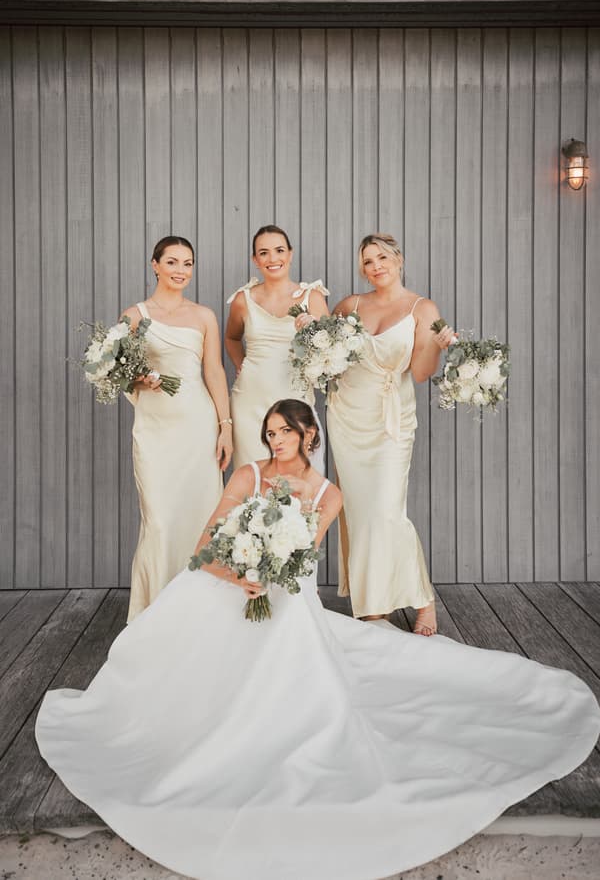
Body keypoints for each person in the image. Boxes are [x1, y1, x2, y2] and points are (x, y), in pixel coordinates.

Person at [36, 400, 600, 880]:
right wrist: (240, 575)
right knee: (187, 655)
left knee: (288, 633)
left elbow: (304, 555)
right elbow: (204, 546)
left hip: (284, 587)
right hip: (224, 580)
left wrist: (269, 574)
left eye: (286, 431)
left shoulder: (328, 493)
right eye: (270, 433)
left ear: (310, 434)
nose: (277, 441)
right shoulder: (247, 476)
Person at [327, 233, 455, 633]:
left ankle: (423, 599)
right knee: (361, 513)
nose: (375, 266)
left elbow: (419, 372)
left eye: (382, 257)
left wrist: (437, 344)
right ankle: (372, 605)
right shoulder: (349, 306)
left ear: (398, 260)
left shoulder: (423, 307)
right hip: (346, 415)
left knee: (386, 509)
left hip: (391, 418)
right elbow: (326, 355)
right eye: (367, 261)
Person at [121, 235, 232, 622]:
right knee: (161, 519)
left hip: (197, 426)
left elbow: (214, 371)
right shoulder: (134, 316)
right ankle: (152, 615)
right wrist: (139, 380)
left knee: (202, 515)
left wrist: (225, 427)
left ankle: (200, 613)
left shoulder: (203, 316)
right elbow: (119, 373)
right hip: (155, 430)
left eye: (188, 263)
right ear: (155, 265)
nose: (181, 270)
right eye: (172, 262)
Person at [225, 225, 329, 469]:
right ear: (255, 259)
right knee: (254, 479)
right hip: (250, 402)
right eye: (263, 253)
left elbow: (330, 349)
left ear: (290, 254)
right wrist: (243, 366)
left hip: (294, 397)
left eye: (279, 250)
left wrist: (313, 332)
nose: (272, 258)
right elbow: (231, 338)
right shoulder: (243, 300)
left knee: (299, 478)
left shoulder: (312, 298)